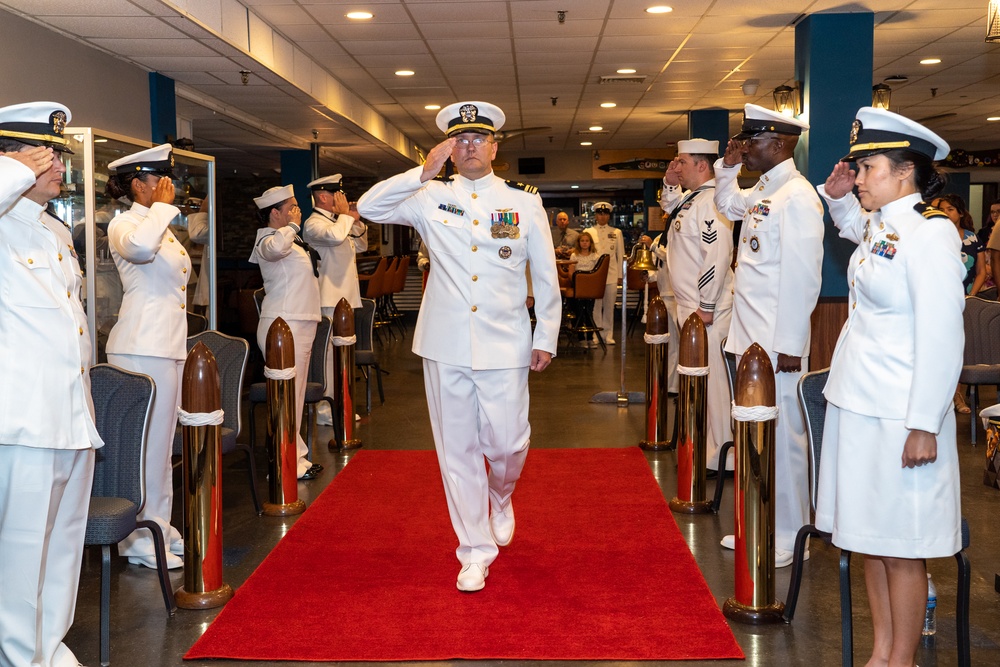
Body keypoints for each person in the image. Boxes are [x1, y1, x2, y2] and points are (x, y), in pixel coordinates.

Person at [357, 101, 560, 593]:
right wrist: (420, 171)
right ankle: (474, 551)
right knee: (458, 450)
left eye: (479, 139)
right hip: (445, 342)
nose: (470, 147)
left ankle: (502, 493)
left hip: (506, 340)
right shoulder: (428, 196)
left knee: (508, 442)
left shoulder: (523, 201)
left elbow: (547, 273)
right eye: (460, 140)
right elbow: (367, 208)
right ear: (450, 147)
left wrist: (546, 335)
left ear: (495, 147)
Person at [816, 106, 963, 667]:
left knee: (902, 548)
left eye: (867, 167)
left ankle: (899, 661)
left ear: (905, 171)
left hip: (901, 415)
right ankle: (881, 653)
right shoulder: (883, 223)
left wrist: (925, 422)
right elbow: (857, 230)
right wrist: (837, 198)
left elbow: (943, 334)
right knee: (868, 540)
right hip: (860, 406)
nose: (859, 177)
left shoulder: (931, 233)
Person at [0, 101, 103, 667]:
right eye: (42, 155)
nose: (58, 167)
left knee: (62, 545)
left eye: (58, 155)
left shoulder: (54, 229)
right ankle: (18, 655)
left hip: (69, 413)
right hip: (23, 417)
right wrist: (16, 167)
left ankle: (46, 645)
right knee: (19, 549)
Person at [713, 103, 824, 567]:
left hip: (777, 348)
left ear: (777, 144)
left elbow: (803, 277)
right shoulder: (765, 189)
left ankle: (790, 535)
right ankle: (758, 527)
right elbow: (727, 204)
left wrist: (791, 346)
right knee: (754, 437)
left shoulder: (797, 197)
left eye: (751, 141)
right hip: (749, 340)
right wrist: (728, 168)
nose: (746, 148)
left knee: (784, 441)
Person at [104, 144, 190, 570]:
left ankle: (160, 527)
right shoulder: (126, 224)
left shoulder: (158, 223)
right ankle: (137, 539)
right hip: (141, 346)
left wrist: (161, 212)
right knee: (142, 449)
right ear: (138, 184)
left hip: (166, 345)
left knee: (160, 446)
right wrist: (160, 210)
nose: (169, 187)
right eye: (160, 179)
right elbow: (138, 249)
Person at [646, 139, 735, 473]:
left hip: (706, 308)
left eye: (681, 162)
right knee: (697, 382)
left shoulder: (713, 201)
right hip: (689, 306)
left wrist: (707, 305)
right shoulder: (692, 199)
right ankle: (707, 448)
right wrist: (669, 180)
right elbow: (671, 209)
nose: (676, 166)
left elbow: (716, 255)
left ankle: (722, 457)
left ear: (702, 165)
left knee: (713, 384)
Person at [251, 184, 323, 481]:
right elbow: (274, 249)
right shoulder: (267, 239)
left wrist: (292, 227)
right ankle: (284, 464)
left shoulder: (290, 239)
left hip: (299, 322)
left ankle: (296, 459)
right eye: (291, 207)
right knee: (287, 396)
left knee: (293, 396)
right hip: (284, 325)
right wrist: (292, 226)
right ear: (274, 213)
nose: (298, 211)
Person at [301, 174, 368, 426]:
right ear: (323, 197)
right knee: (328, 357)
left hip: (345, 297)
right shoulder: (314, 224)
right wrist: (346, 217)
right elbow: (336, 237)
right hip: (327, 298)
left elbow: (359, 245)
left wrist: (354, 221)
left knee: (343, 354)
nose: (342, 200)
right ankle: (325, 410)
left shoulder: (337, 221)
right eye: (337, 195)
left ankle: (342, 404)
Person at [930, 193, 986, 297]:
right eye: (941, 210)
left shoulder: (972, 238)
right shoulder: (933, 237)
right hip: (940, 296)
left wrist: (972, 295)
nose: (945, 213)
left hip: (968, 296)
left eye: (950, 209)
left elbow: (981, 271)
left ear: (961, 213)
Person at [583, 202, 623, 345]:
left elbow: (620, 255)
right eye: (600, 214)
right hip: (595, 275)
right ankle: (596, 334)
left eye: (605, 214)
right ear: (595, 215)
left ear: (609, 216)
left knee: (609, 306)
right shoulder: (589, 232)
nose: (602, 216)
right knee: (596, 307)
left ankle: (608, 334)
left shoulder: (616, 232)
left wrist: (620, 275)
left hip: (611, 274)